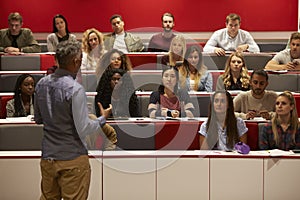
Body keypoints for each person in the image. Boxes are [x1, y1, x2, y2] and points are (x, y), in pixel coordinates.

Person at [34, 40, 114, 200]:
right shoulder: (75, 89)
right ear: (76, 61)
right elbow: (83, 128)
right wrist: (102, 119)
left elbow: (38, 119)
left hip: (48, 157)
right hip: (73, 157)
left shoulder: (41, 84)